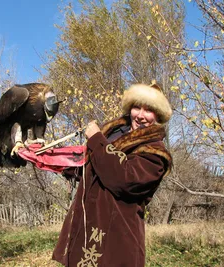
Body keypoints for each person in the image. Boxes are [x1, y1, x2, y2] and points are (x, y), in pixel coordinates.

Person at [52, 83, 173, 267]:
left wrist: (96, 139)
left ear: (158, 115)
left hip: (117, 237)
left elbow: (124, 179)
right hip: (87, 224)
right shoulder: (114, 134)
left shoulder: (155, 153)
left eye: (149, 110)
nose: (140, 115)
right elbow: (93, 167)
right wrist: (53, 159)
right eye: (137, 107)